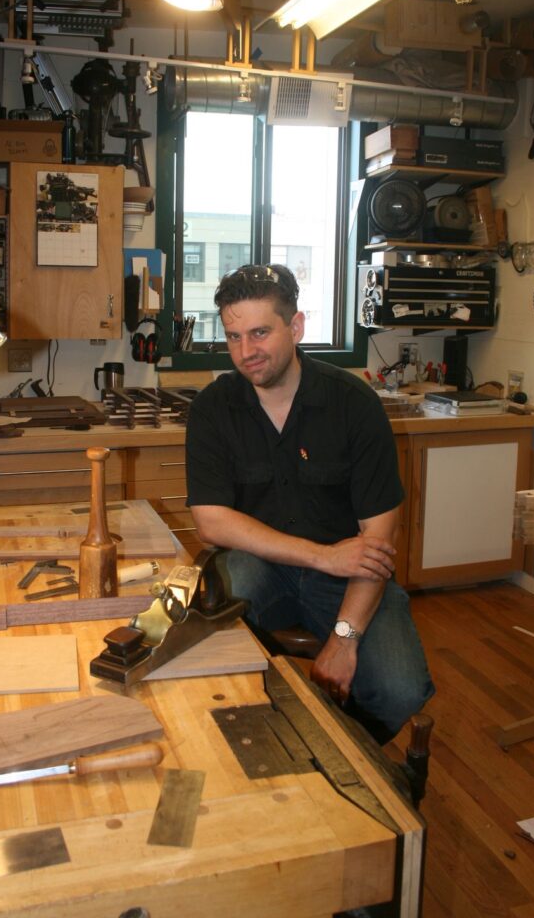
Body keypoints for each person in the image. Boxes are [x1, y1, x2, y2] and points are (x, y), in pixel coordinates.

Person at [185, 263, 434, 744]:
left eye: (260, 332)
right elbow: (211, 523)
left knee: (399, 690)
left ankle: (331, 753)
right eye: (233, 336)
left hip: (349, 576)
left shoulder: (353, 405)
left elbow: (378, 541)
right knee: (202, 637)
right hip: (260, 564)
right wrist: (321, 554)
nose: (246, 352)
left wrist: (345, 638)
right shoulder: (214, 408)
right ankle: (250, 735)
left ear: (295, 327)